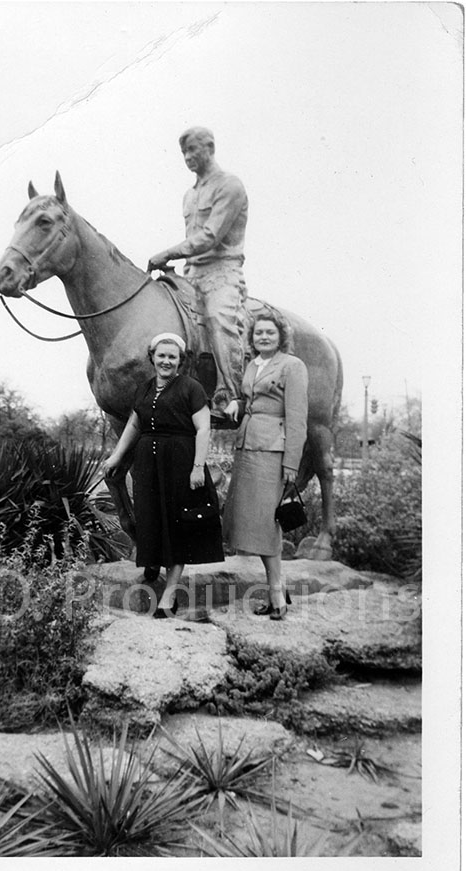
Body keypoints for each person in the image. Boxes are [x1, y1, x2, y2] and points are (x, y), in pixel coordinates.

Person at [104, 332, 224, 618]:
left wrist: (197, 467)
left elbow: (203, 429)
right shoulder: (145, 388)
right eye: (161, 356)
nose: (166, 361)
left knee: (176, 525)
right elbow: (135, 423)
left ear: (180, 361)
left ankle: (169, 595)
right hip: (148, 463)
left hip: (180, 462)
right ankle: (151, 563)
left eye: (172, 357)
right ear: (152, 358)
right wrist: (117, 455)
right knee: (150, 517)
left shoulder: (191, 388)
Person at [147, 126, 248, 420]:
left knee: (219, 319)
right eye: (184, 153)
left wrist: (168, 252)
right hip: (192, 273)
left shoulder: (230, 185)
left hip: (222, 272)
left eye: (193, 150)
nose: (188, 157)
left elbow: (209, 236)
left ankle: (231, 394)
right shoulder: (189, 195)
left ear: (210, 147)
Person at [223, 309, 308, 620]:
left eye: (270, 332)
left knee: (266, 525)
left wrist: (292, 464)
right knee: (255, 525)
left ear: (281, 336)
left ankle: (277, 598)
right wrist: (237, 402)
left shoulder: (292, 366)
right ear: (252, 337)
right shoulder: (253, 365)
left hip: (273, 452)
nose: (263, 337)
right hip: (247, 448)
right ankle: (279, 591)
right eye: (258, 332)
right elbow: (254, 401)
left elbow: (297, 419)